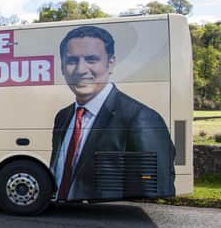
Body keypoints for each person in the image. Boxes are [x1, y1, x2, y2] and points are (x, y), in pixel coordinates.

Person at [50, 25, 175, 202]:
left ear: (110, 63)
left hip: (99, 222)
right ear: (62, 67)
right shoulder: (63, 117)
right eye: (71, 61)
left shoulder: (140, 118)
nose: (80, 70)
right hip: (71, 218)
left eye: (91, 59)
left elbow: (157, 184)